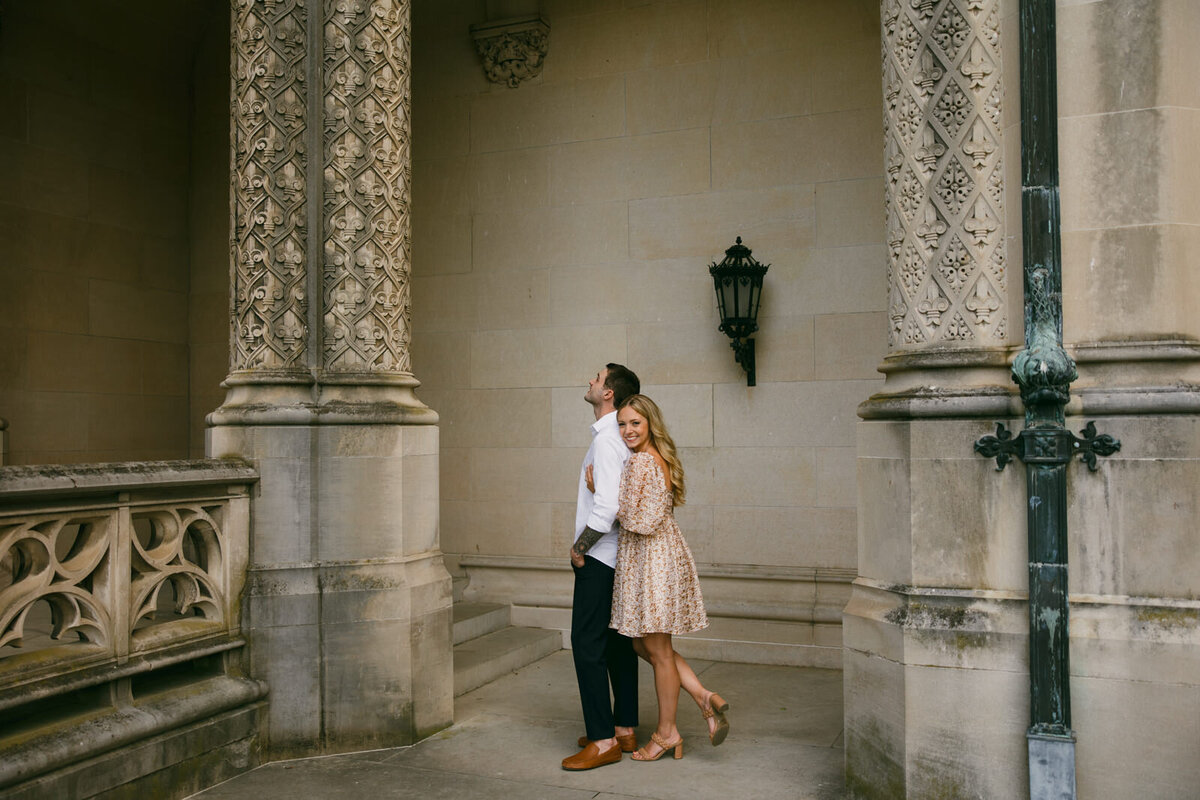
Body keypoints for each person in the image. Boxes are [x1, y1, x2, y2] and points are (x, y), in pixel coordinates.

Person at [609, 393, 730, 761]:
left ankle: (667, 733)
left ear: (650, 424)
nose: (628, 430)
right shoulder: (659, 459)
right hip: (663, 556)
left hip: (651, 562)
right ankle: (702, 696)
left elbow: (640, 521)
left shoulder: (640, 462)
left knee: (657, 652)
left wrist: (605, 497)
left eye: (635, 423)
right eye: (623, 424)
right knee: (643, 645)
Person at [561, 363, 642, 771]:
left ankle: (602, 739)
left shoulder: (609, 439)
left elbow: (608, 507)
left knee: (587, 645)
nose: (590, 380)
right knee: (616, 644)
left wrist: (579, 549)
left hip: (598, 558)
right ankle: (624, 729)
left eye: (597, 377)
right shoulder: (615, 437)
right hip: (615, 558)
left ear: (608, 392)